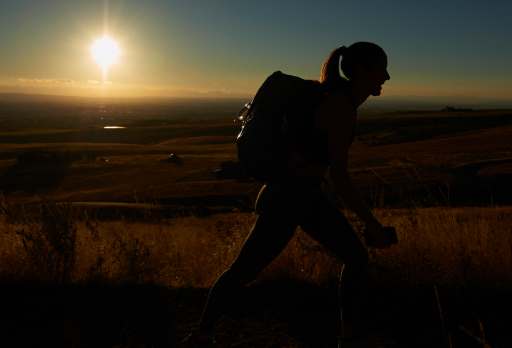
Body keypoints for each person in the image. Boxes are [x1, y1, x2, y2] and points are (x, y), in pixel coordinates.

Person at [182, 42, 392, 348]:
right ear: (361, 73)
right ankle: (199, 339)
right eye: (381, 69)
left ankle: (350, 338)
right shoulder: (341, 107)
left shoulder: (339, 99)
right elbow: (340, 176)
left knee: (356, 257)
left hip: (305, 196)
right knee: (242, 272)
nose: (386, 76)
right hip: (288, 198)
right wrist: (371, 223)